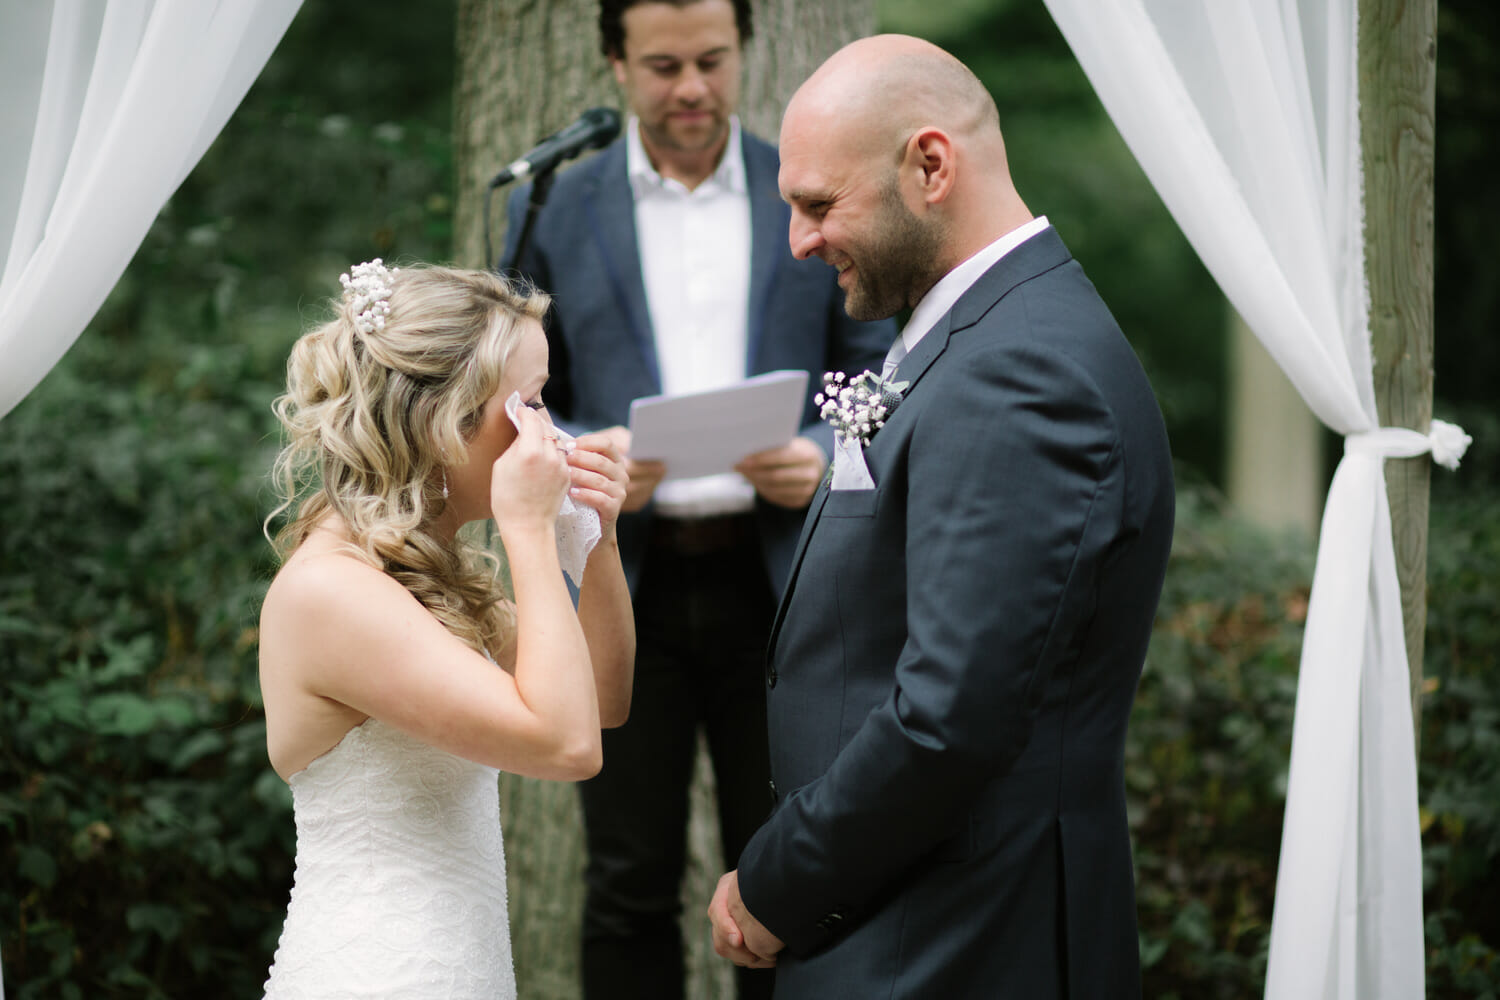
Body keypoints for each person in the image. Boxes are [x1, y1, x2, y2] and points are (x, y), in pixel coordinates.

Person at [706, 35, 1176, 999]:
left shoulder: (1020, 373)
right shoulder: (979, 334)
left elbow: (951, 716)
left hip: (951, 945)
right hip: (907, 920)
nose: (798, 241)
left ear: (930, 164)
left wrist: (777, 882)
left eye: (819, 205)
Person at [501, 3, 895, 999]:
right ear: (615, 62)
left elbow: (879, 369)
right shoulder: (558, 206)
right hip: (620, 585)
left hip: (787, 583)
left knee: (787, 875)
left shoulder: (802, 189)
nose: (692, 88)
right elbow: (512, 397)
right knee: (628, 879)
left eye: (713, 62)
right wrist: (586, 456)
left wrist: (825, 446)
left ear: (742, 54)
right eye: (665, 65)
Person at [257, 261, 635, 999]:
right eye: (527, 406)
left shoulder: (426, 570)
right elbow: (567, 745)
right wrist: (526, 529)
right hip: (378, 974)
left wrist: (597, 538)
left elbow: (603, 699)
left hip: (459, 967)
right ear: (444, 423)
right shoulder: (333, 591)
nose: (548, 432)